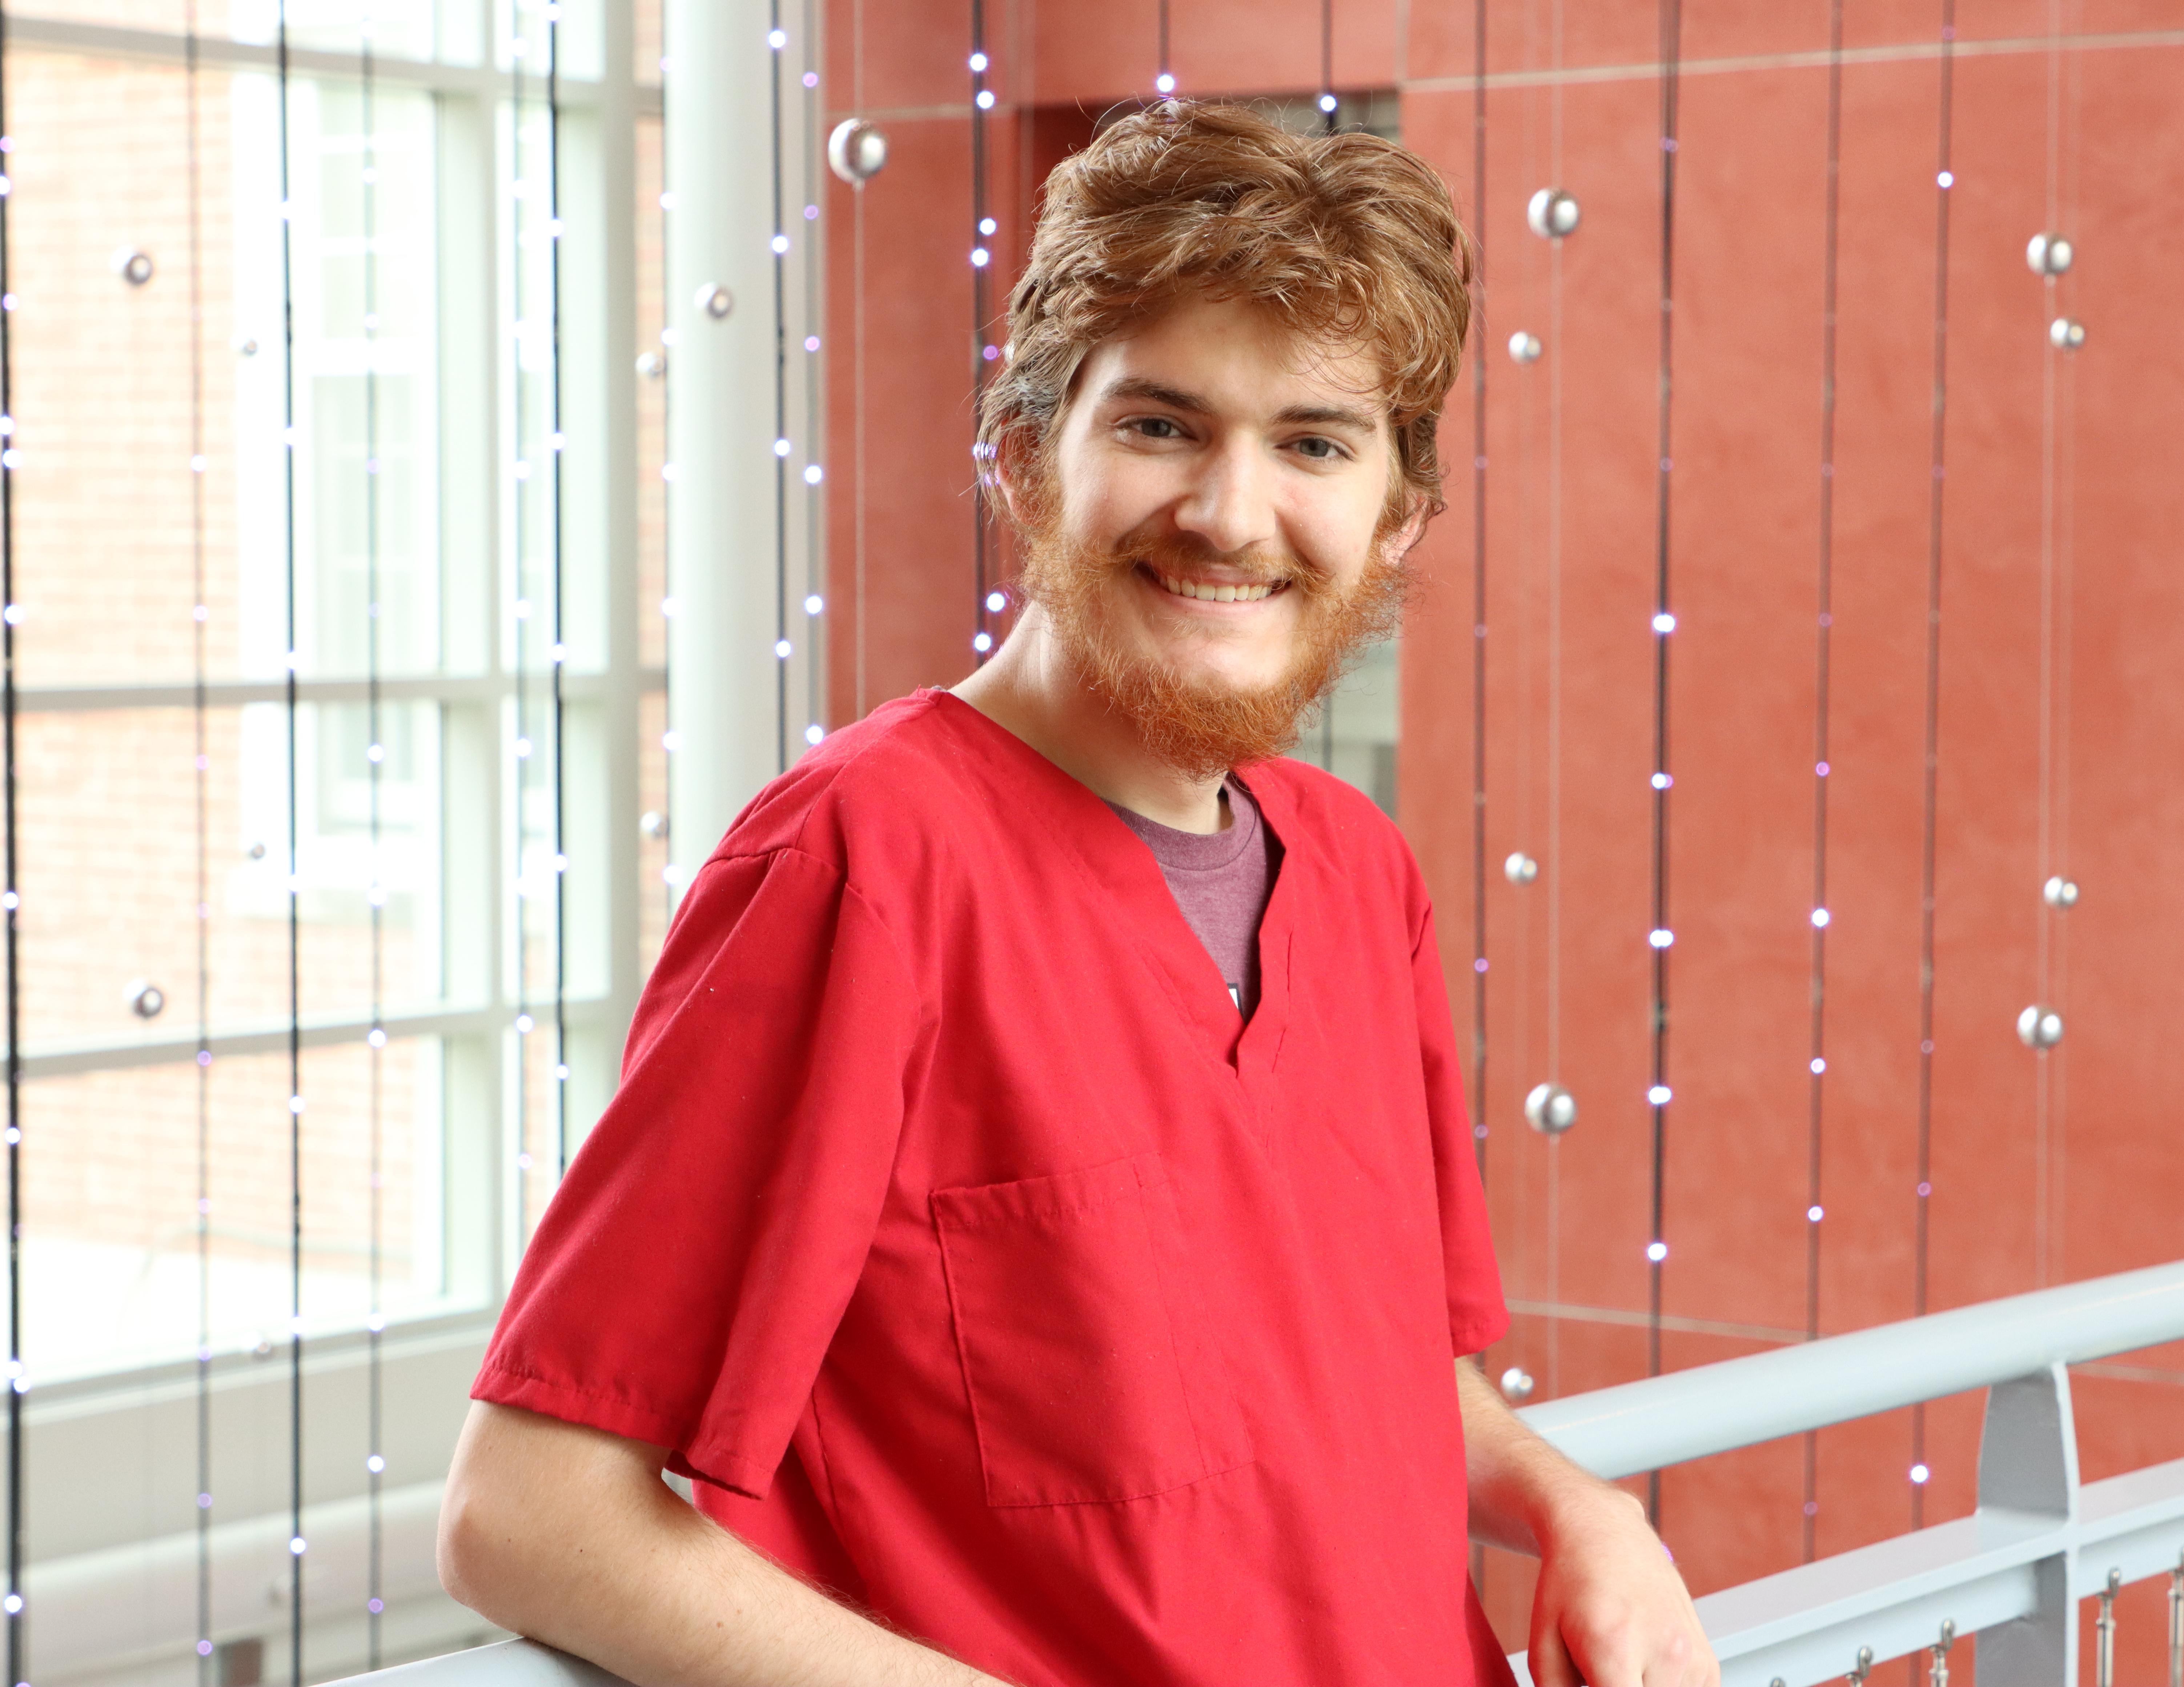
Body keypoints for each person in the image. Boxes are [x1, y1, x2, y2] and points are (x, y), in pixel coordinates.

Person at [438, 100, 1716, 1687]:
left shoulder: (1357, 868)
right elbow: (533, 1509)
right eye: (1162, 425)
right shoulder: (862, 862)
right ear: (1028, 459)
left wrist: (1577, 1506)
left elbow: (1398, 1384)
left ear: (1396, 519)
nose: (1233, 514)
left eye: (1315, 441)